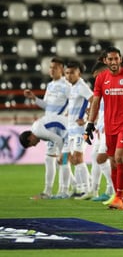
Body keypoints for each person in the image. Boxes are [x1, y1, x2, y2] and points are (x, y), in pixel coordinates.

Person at [85, 47, 123, 210]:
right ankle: (118, 196)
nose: (114, 62)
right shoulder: (101, 78)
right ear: (105, 61)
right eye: (110, 59)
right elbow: (95, 102)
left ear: (120, 59)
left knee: (120, 157)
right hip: (109, 125)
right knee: (113, 162)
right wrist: (90, 123)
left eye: (116, 59)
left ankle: (121, 197)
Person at [24, 57, 71, 199]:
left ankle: (64, 190)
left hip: (61, 128)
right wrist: (34, 98)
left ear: (62, 69)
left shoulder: (67, 85)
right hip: (50, 127)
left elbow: (73, 103)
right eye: (50, 68)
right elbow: (47, 106)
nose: (51, 70)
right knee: (50, 159)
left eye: (55, 68)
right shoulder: (50, 85)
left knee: (62, 160)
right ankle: (48, 191)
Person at [65, 61, 94, 200]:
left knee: (78, 157)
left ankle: (88, 189)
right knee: (73, 159)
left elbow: (93, 99)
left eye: (72, 73)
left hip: (79, 128)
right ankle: (82, 188)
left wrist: (86, 116)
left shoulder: (82, 86)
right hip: (71, 128)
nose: (69, 75)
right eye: (67, 73)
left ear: (79, 73)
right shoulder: (72, 87)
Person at [88, 60, 114, 203]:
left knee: (104, 158)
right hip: (102, 128)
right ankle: (108, 190)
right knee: (98, 157)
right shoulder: (103, 87)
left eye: (98, 75)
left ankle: (117, 190)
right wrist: (97, 125)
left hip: (112, 127)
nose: (96, 79)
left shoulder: (115, 85)